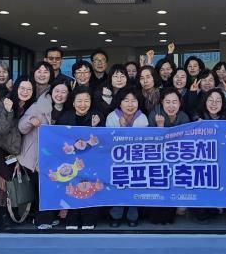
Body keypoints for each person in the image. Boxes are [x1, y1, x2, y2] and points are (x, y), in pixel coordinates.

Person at [56, 86, 104, 229]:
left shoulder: (97, 116)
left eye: (86, 101)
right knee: (73, 189)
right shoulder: (65, 117)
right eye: (79, 101)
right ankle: (72, 219)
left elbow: (103, 141)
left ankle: (89, 219)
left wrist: (95, 127)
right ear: (73, 102)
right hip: (70, 162)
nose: (83, 104)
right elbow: (57, 139)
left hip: (91, 163)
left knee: (89, 189)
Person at [18, 63, 59, 229]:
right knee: (41, 186)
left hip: (55, 154)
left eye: (46, 71)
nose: (59, 95)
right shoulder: (35, 103)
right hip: (34, 153)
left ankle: (48, 217)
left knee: (51, 185)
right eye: (39, 71)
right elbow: (21, 127)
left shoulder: (62, 105)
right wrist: (30, 121)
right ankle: (42, 219)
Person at [0, 76, 35, 228]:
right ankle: (3, 215)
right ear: (16, 88)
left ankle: (16, 211)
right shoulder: (4, 102)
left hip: (19, 150)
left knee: (17, 180)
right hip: (1, 149)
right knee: (3, 181)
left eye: (29, 89)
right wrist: (9, 111)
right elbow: (1, 129)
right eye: (22, 88)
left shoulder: (31, 107)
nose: (25, 92)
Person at [105, 87, 148, 227]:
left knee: (135, 183)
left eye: (133, 101)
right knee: (118, 184)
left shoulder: (142, 118)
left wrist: (124, 130)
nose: (130, 104)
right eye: (126, 100)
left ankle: (132, 214)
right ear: (120, 102)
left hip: (137, 160)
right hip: (115, 159)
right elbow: (109, 141)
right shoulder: (112, 117)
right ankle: (116, 214)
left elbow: (140, 142)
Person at [147, 87, 191, 225]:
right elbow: (149, 141)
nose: (171, 106)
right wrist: (160, 128)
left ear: (179, 103)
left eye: (174, 102)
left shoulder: (183, 117)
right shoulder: (154, 114)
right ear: (162, 102)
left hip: (176, 160)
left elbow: (186, 142)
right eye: (168, 102)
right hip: (156, 160)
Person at [192, 88, 226, 223]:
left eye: (218, 101)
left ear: (222, 103)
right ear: (205, 102)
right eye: (210, 100)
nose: (214, 104)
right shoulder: (196, 117)